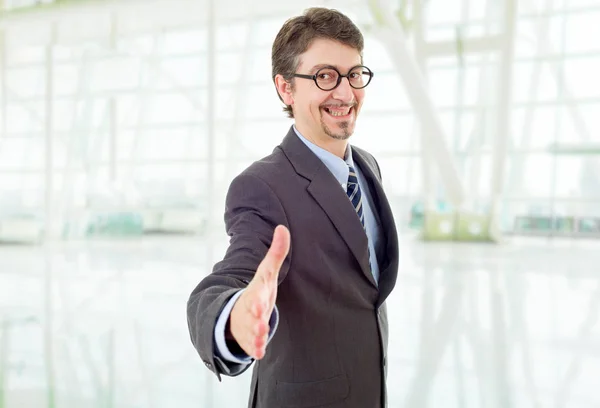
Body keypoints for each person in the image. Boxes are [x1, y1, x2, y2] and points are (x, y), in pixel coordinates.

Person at [187, 7, 399, 408]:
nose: (345, 92)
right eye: (324, 76)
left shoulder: (368, 166)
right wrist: (234, 317)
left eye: (354, 74)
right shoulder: (263, 187)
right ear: (286, 89)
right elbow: (231, 277)